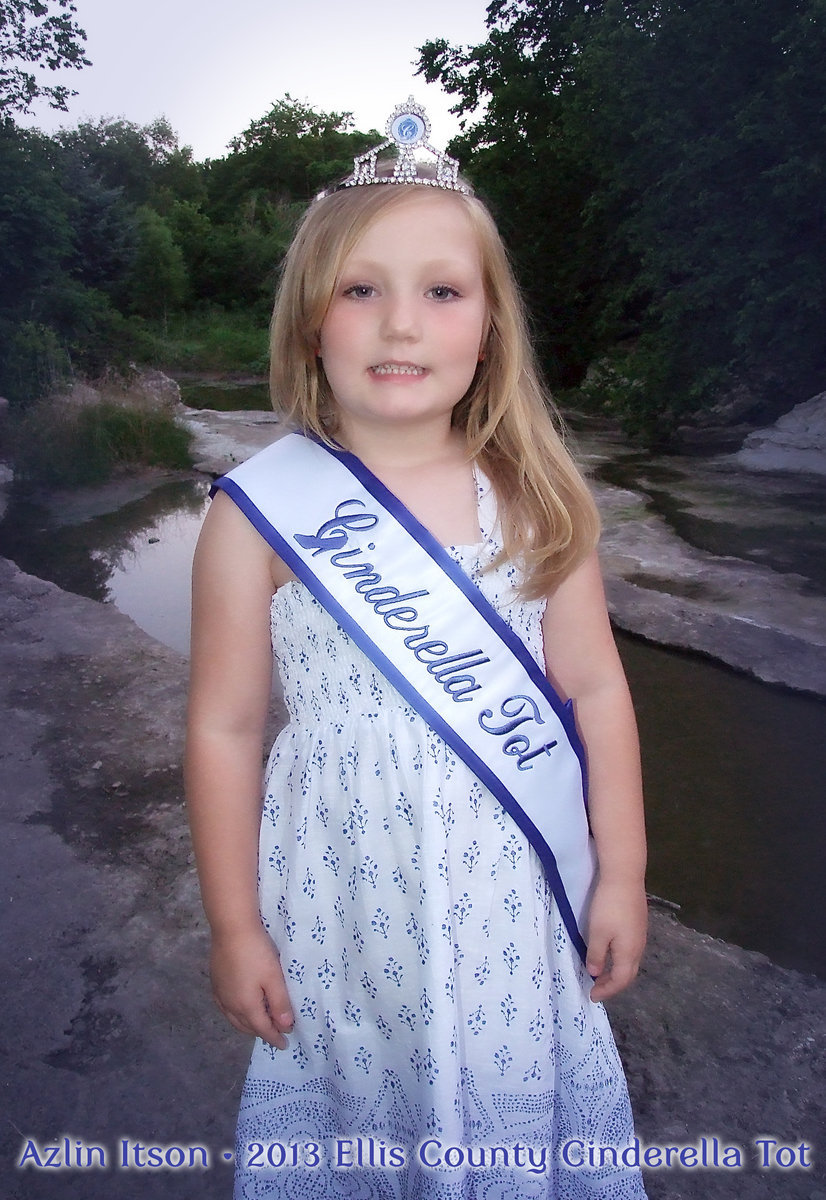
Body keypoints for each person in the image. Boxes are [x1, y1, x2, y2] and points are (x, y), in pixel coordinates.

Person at [186, 99, 648, 1199]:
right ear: (311, 323)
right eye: (361, 290)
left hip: (508, 902)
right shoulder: (257, 515)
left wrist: (621, 872)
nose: (402, 324)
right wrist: (233, 923)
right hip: (342, 896)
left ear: (488, 324)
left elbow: (593, 689)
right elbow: (225, 724)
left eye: (441, 291)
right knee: (364, 1109)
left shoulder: (536, 500)